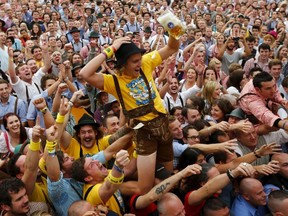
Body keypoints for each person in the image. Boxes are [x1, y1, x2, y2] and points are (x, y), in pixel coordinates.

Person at [80, 33, 180, 194]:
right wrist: (110, 49)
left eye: (139, 58)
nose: (139, 63)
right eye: (134, 61)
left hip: (163, 127)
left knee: (166, 179)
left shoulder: (146, 63)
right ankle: (108, 188)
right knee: (144, 188)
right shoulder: (114, 82)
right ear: (123, 64)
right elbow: (85, 74)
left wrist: (173, 29)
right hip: (144, 134)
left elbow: (172, 47)